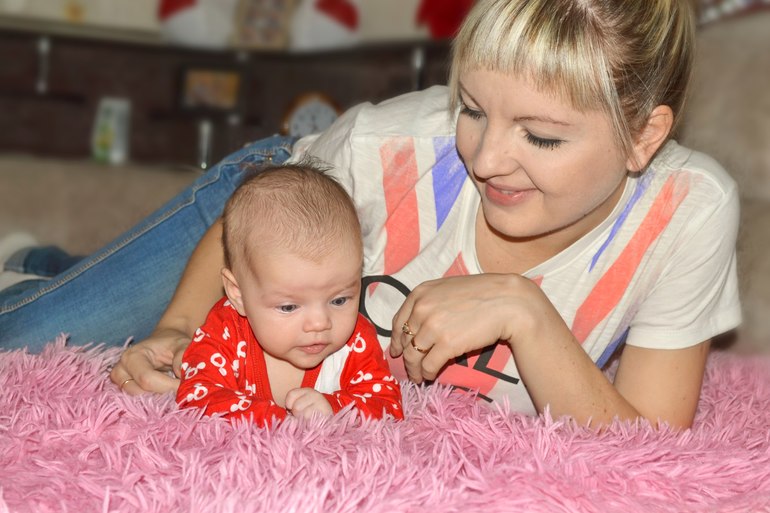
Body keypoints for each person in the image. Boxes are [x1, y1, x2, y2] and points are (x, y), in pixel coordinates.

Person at [2, 0, 739, 430]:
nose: (486, 159)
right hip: (274, 206)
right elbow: (247, 230)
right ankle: (44, 271)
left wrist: (526, 311)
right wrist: (176, 328)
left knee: (81, 301)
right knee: (23, 338)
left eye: (541, 136)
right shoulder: (386, 150)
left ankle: (51, 265)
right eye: (472, 110)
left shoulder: (688, 213)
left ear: (645, 136)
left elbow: (648, 448)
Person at [174, 163, 403, 425]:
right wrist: (278, 424)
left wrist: (335, 409)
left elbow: (388, 406)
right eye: (288, 307)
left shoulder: (356, 341)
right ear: (238, 294)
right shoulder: (225, 331)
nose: (319, 323)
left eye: (339, 300)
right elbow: (196, 398)